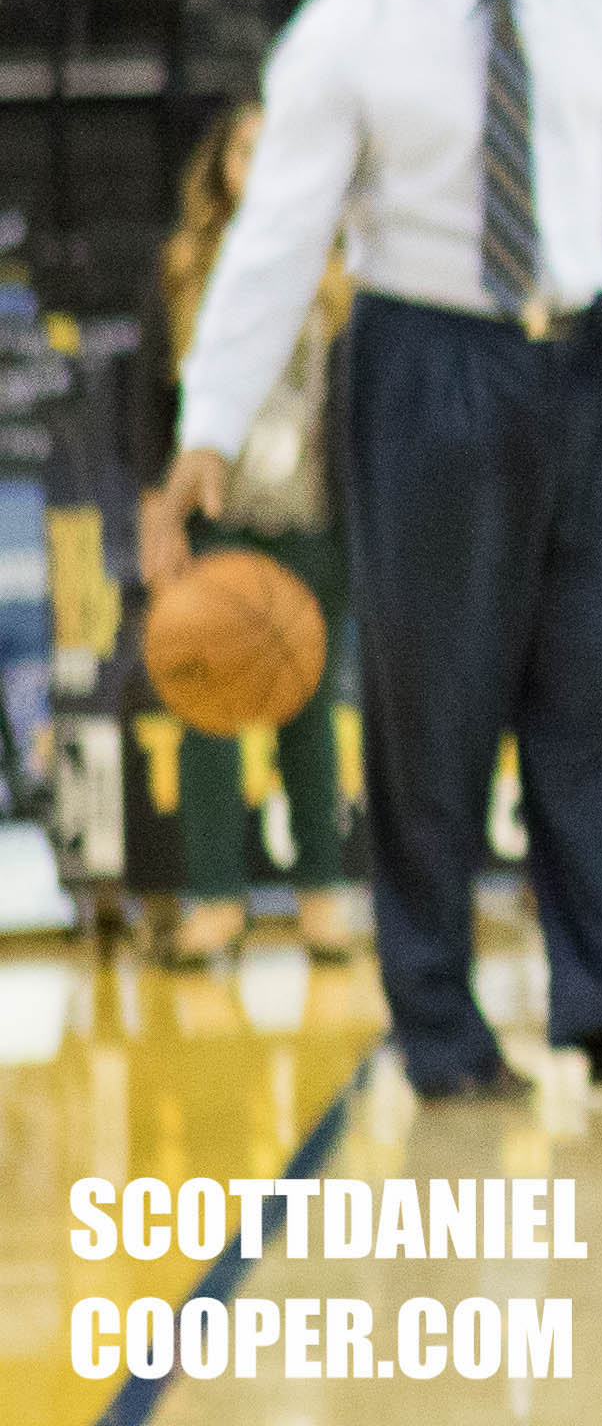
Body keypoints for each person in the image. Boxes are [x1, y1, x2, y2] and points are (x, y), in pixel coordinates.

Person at [151, 0, 602, 1102]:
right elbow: (277, 237)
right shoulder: (345, 30)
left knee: (597, 690)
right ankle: (440, 1025)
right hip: (426, 361)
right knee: (433, 709)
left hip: (590, 359)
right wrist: (209, 423)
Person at [146, 105, 367, 965]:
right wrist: (159, 508)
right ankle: (215, 904)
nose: (262, 160)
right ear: (220, 167)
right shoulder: (184, 270)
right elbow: (149, 405)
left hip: (310, 518)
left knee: (310, 709)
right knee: (206, 707)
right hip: (218, 522)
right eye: (245, 147)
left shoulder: (338, 275)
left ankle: (321, 899)